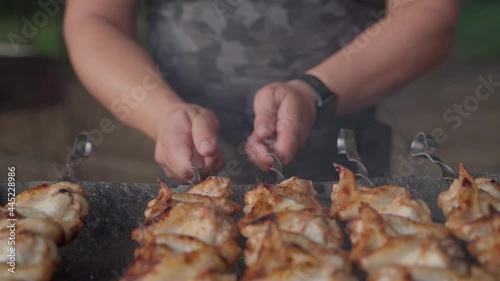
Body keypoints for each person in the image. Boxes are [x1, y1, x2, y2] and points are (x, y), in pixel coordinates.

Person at [64, 0, 458, 184]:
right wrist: (161, 113)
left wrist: (315, 90)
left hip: (344, 156)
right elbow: (95, 20)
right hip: (186, 156)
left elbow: (429, 12)